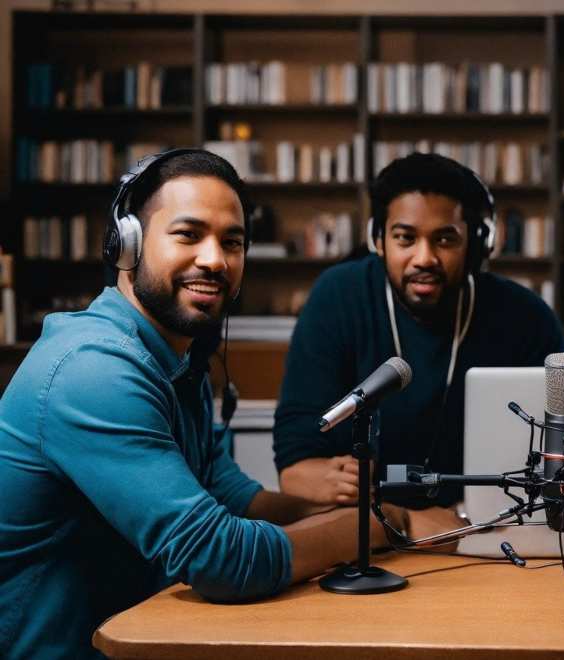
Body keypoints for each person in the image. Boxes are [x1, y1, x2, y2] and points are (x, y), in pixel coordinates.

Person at [0, 149, 404, 659]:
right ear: (128, 245)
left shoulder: (179, 360)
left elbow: (230, 494)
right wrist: (380, 528)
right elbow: (219, 558)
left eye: (231, 242)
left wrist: (348, 509)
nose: (215, 260)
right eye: (188, 235)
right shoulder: (93, 371)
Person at [274, 152, 564, 531]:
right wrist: (323, 477)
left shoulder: (526, 316)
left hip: (485, 529)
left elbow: (563, 451)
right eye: (405, 238)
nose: (424, 257)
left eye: (445, 239)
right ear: (377, 239)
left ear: (477, 245)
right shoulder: (337, 296)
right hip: (364, 530)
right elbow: (296, 464)